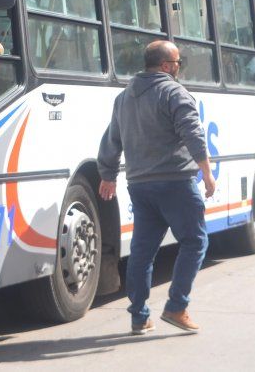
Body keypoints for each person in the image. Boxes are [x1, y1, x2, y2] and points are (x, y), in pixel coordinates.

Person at [97, 40, 215, 336]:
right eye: (178, 64)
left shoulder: (124, 97)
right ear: (165, 66)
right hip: (176, 181)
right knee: (195, 241)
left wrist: (108, 174)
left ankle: (139, 317)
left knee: (142, 251)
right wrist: (207, 173)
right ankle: (177, 306)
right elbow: (193, 134)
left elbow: (112, 139)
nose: (179, 69)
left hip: (139, 184)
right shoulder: (174, 92)